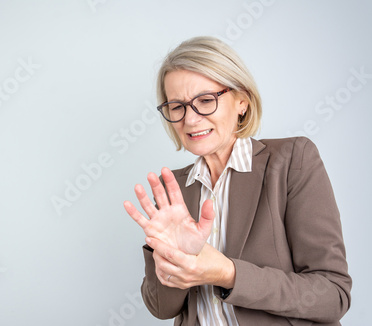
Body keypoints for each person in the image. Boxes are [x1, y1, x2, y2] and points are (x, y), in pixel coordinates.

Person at [123, 36, 351, 325]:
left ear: (242, 101)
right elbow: (161, 309)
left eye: (205, 100)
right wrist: (168, 256)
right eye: (177, 106)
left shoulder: (291, 161)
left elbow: (333, 294)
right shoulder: (173, 192)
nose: (190, 120)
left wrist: (228, 273)